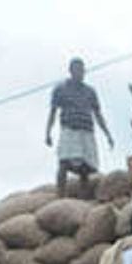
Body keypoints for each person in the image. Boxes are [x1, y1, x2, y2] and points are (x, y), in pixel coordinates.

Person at [45, 58, 114, 199]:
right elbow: (53, 112)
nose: (80, 73)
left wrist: (108, 134)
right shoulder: (60, 89)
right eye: (77, 70)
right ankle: (60, 196)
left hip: (86, 130)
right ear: (71, 71)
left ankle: (83, 198)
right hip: (69, 128)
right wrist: (48, 132)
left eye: (82, 70)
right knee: (64, 162)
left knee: (85, 168)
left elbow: (98, 114)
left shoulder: (90, 92)